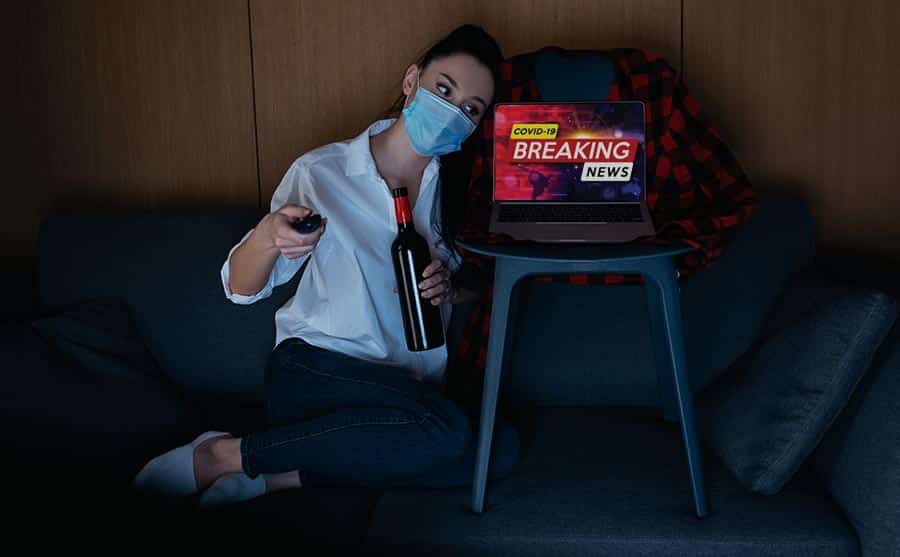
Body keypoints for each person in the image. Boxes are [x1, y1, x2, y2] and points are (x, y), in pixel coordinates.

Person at [132, 24, 521, 507]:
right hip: (317, 375)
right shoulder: (324, 173)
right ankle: (225, 455)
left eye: (469, 109)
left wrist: (451, 289)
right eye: (443, 89)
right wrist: (269, 236)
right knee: (443, 430)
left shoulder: (458, 197)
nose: (451, 113)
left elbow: (477, 287)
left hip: (405, 394)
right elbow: (239, 287)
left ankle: (285, 475)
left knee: (499, 450)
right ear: (411, 81)